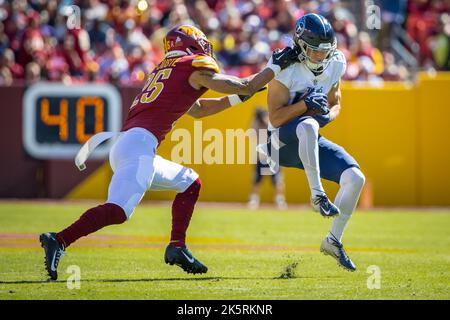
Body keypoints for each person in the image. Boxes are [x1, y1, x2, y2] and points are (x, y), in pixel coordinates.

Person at [39, 24, 298, 280]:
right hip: (138, 147)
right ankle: (59, 239)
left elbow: (199, 110)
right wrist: (273, 68)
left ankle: (177, 246)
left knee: (190, 182)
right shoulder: (190, 65)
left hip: (134, 145)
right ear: (191, 43)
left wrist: (239, 96)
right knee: (118, 211)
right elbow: (245, 85)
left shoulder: (165, 70)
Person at [259, 14, 365, 271]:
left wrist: (327, 115)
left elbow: (336, 101)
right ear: (302, 46)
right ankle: (317, 195)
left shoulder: (335, 62)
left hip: (310, 139)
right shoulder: (286, 67)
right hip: (278, 145)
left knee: (355, 178)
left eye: (327, 51)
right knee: (307, 124)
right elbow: (274, 118)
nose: (322, 56)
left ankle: (333, 240)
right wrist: (305, 106)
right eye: (316, 51)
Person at [248, 107, 287, 210]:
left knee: (277, 180)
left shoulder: (271, 123)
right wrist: (256, 120)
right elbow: (251, 133)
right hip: (261, 157)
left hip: (274, 157)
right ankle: (254, 200)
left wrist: (266, 120)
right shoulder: (257, 125)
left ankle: (280, 200)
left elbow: (274, 130)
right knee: (257, 180)